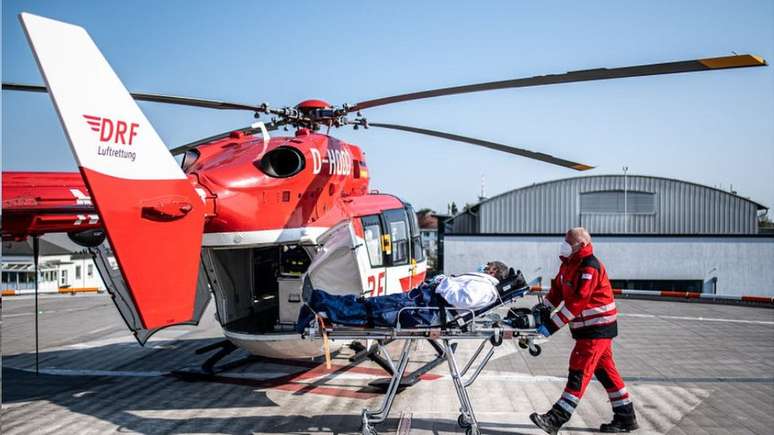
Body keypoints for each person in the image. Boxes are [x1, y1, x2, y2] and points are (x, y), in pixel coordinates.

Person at [529, 228, 638, 434]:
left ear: (581, 245)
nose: (564, 245)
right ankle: (625, 417)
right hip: (590, 330)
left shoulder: (590, 267)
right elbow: (557, 292)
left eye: (568, 242)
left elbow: (578, 302)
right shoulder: (568, 265)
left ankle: (555, 419)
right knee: (607, 373)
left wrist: (550, 327)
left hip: (596, 329)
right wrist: (543, 308)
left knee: (579, 372)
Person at [296, 261, 515, 331]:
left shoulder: (486, 288)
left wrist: (443, 282)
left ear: (494, 271)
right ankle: (320, 299)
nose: (484, 266)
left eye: (488, 266)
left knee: (371, 311)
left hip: (422, 309)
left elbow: (463, 300)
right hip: (419, 302)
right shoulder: (483, 284)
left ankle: (321, 305)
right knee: (368, 303)